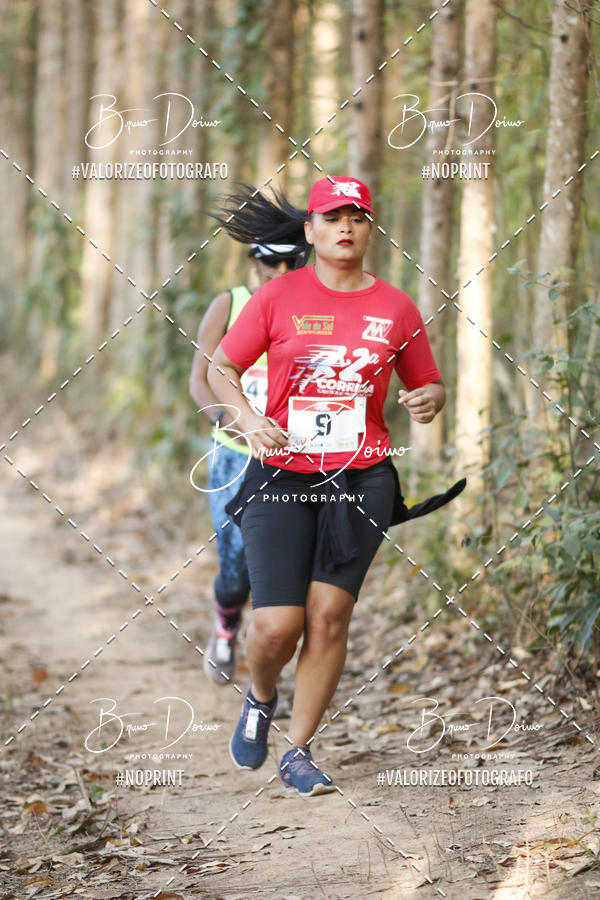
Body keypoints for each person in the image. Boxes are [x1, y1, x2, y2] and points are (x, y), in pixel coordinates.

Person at [207, 176, 465, 796]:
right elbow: (223, 366)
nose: (346, 226)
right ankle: (261, 695)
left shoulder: (396, 308)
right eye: (332, 216)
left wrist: (430, 399)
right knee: (277, 624)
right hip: (282, 472)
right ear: (310, 230)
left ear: (370, 229)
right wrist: (246, 417)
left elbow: (429, 382)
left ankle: (298, 751)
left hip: (362, 474)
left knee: (328, 615)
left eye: (358, 216)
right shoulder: (277, 297)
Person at [189, 241, 304, 684]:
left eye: (292, 261)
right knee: (236, 570)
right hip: (234, 457)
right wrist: (228, 420)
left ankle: (270, 665)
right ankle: (225, 625)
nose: (281, 269)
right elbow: (201, 380)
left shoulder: (312, 308)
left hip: (293, 461)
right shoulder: (229, 304)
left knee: (278, 569)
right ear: (254, 261)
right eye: (271, 261)